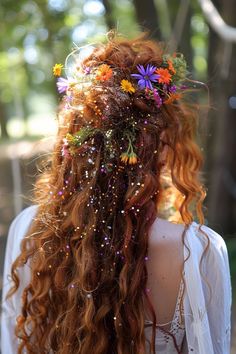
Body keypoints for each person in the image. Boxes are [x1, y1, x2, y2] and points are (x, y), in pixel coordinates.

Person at [1, 34, 232, 354]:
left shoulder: (29, 230)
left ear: (75, 145)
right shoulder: (197, 251)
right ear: (162, 146)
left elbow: (13, 342)